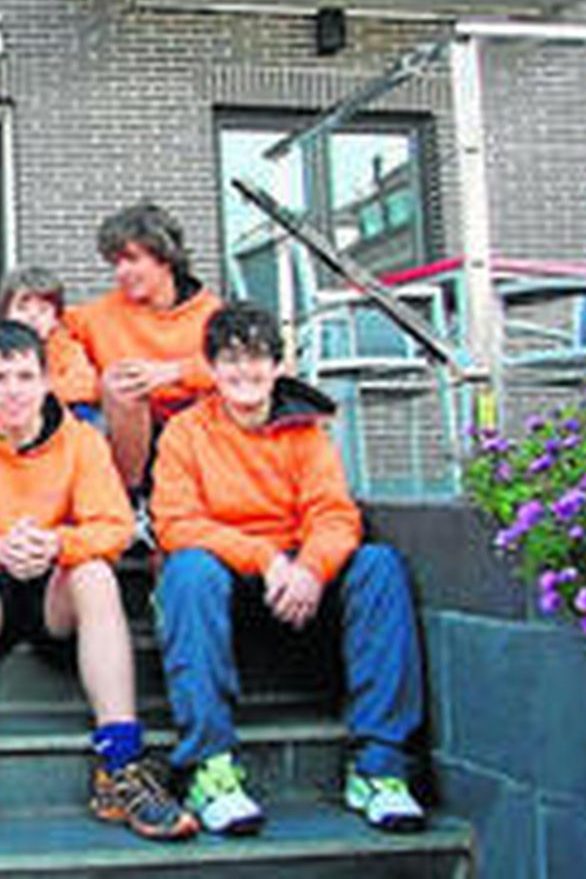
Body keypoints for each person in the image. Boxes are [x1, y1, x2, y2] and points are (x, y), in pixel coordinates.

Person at [0, 322, 196, 851]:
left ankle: (120, 764)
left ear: (45, 381)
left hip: (56, 590)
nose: (13, 390)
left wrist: (58, 544)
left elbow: (115, 525)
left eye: (24, 376)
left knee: (97, 573)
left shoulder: (81, 441)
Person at [151, 302, 426, 836]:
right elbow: (176, 523)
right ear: (210, 368)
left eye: (256, 358)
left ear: (278, 366)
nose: (244, 372)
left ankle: (380, 767)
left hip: (302, 589)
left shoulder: (305, 431)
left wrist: (312, 570)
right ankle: (211, 767)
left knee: (379, 564)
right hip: (227, 585)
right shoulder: (186, 433)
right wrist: (266, 558)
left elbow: (334, 513)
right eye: (230, 360)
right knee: (186, 570)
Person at [65, 202, 221, 492]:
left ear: (165, 258)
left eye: (132, 259)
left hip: (198, 431)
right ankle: (131, 500)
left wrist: (175, 371)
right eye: (116, 263)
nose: (121, 272)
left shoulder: (211, 313)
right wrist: (89, 380)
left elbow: (247, 367)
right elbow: (49, 336)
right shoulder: (97, 315)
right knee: (122, 383)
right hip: (130, 437)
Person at [0, 266, 99, 419]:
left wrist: (37, 390)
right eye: (22, 309)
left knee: (85, 414)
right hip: (2, 421)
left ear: (56, 320)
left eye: (43, 310)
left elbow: (86, 384)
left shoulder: (67, 349)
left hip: (54, 420)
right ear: (5, 315)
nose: (32, 317)